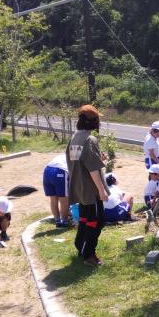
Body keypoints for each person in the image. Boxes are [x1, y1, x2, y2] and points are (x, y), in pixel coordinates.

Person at [66, 104, 109, 267]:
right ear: (93, 121)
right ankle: (89, 254)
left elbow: (79, 162)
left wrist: (99, 158)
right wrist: (101, 190)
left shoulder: (75, 137)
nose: (99, 122)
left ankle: (81, 247)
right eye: (98, 119)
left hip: (79, 187)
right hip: (91, 190)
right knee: (96, 221)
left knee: (85, 219)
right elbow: (92, 169)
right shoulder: (89, 140)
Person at [42, 153, 71, 228]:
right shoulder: (75, 157)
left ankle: (57, 221)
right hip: (60, 171)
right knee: (64, 199)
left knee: (53, 199)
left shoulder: (62, 156)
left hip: (47, 170)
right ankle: (64, 221)